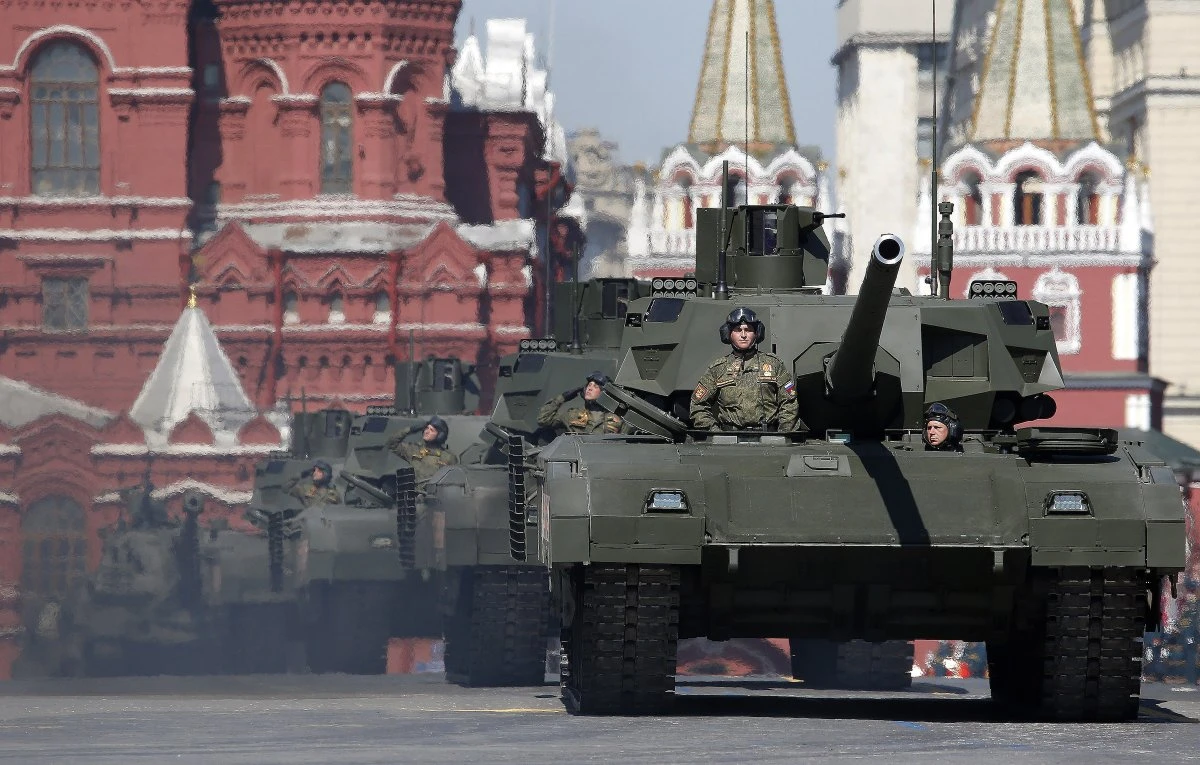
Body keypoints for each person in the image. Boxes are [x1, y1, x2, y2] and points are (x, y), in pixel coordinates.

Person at [690, 307, 798, 432]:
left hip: (768, 437)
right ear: (728, 334)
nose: (743, 335)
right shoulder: (718, 369)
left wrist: (783, 434)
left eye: (748, 330)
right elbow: (698, 405)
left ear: (757, 333)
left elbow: (789, 402)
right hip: (729, 438)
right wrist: (715, 433)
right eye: (738, 330)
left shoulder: (773, 364)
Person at [537, 371, 624, 435]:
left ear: (604, 393)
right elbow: (543, 420)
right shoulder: (573, 415)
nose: (589, 388)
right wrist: (562, 398)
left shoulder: (615, 419)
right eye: (589, 385)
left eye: (595, 386)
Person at [387, 415, 459, 486]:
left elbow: (455, 480)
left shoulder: (448, 457)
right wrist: (410, 430)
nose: (427, 431)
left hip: (438, 491)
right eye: (426, 428)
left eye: (431, 430)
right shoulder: (414, 450)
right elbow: (391, 444)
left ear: (440, 435)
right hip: (418, 491)